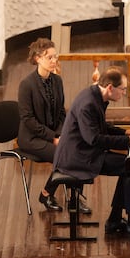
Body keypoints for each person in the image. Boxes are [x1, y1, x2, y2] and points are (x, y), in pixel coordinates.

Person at [53, 66, 130, 236]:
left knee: (128, 166)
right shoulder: (88, 104)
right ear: (110, 87)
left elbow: (101, 127)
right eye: (123, 89)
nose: (124, 93)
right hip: (78, 157)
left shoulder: (95, 96)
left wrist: (125, 132)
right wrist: (128, 140)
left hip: (84, 151)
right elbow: (94, 139)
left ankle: (115, 221)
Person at [18, 38, 91, 213]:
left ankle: (69, 197)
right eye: (49, 57)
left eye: (55, 57)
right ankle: (48, 194)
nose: (53, 61)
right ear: (37, 58)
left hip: (53, 134)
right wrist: (54, 138)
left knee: (77, 149)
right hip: (31, 138)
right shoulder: (26, 85)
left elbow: (61, 113)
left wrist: (63, 135)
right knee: (66, 155)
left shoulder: (57, 81)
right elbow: (28, 119)